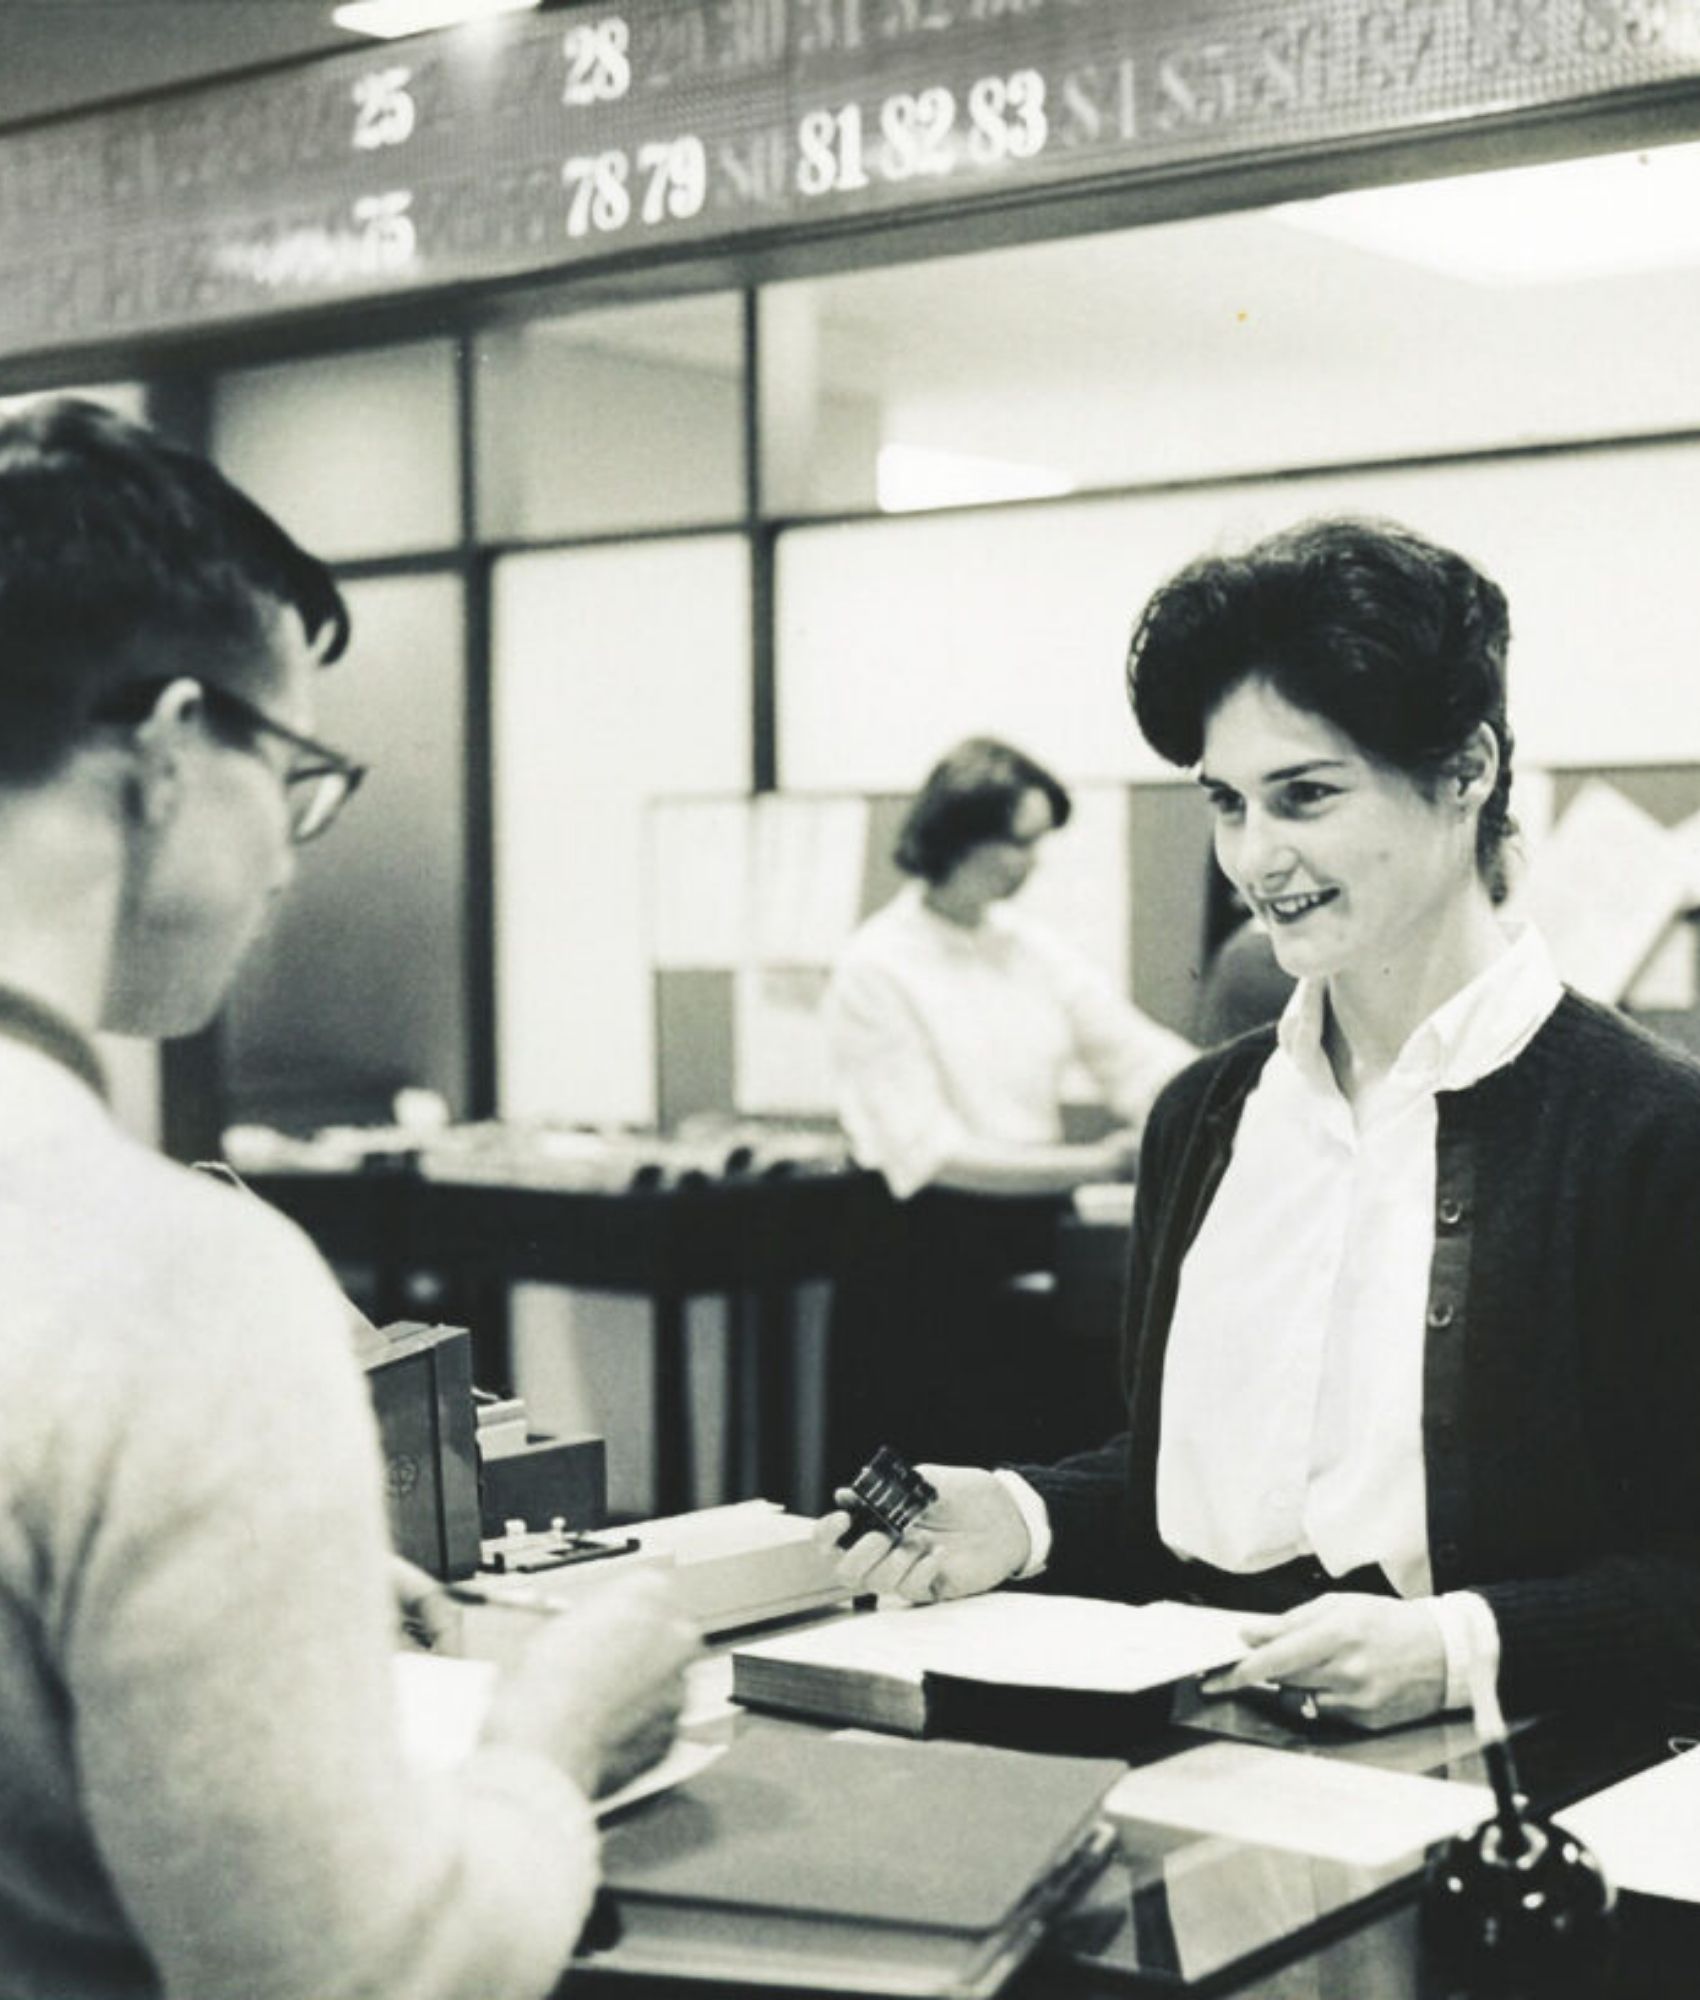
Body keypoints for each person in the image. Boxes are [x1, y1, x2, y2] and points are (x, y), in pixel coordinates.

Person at [0, 396, 699, 2000]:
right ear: (173, 751)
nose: (292, 862)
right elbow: (366, 1974)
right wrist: (552, 1740)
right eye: (297, 773)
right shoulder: (176, 1275)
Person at [822, 517, 1700, 1733]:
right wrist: (1022, 1515)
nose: (1255, 855)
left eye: (1305, 795)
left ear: (1465, 770)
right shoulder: (1204, 1116)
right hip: (1203, 1752)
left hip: (1505, 1795)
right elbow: (1210, 1490)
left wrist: (1452, 1646)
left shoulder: (1652, 1133)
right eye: (1228, 803)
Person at [822, 736, 1192, 1474]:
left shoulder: (1028, 950)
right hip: (920, 1260)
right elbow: (929, 1156)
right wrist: (1094, 1163)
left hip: (1025, 1237)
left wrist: (1221, 1095)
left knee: (1028, 1476)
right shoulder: (876, 966)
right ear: (960, 834)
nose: (1031, 862)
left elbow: (1135, 1057)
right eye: (1019, 842)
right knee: (930, 1480)